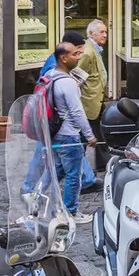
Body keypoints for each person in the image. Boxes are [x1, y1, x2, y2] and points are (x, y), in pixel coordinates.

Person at [42, 38, 96, 214]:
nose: (78, 57)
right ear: (63, 58)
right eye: (75, 54)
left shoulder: (50, 75)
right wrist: (89, 136)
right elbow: (77, 112)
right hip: (68, 134)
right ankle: (71, 212)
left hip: (54, 132)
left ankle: (38, 199)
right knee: (73, 176)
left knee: (57, 170)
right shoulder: (67, 82)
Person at [80, 18, 110, 172]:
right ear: (91, 34)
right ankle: (79, 169)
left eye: (106, 31)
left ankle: (102, 162)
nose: (105, 35)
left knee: (99, 132)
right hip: (89, 101)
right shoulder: (88, 52)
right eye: (101, 32)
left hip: (96, 100)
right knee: (85, 136)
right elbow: (77, 76)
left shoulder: (94, 48)